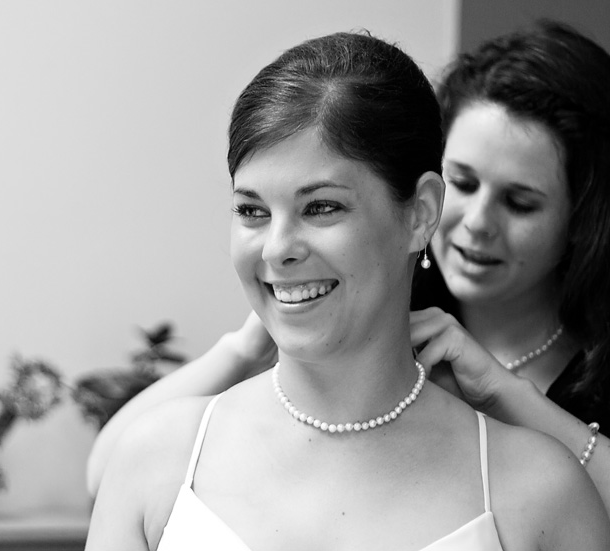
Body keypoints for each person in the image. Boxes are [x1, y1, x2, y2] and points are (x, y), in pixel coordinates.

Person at [85, 31, 609, 549]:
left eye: (321, 207)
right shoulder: (154, 459)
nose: (276, 249)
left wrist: (505, 394)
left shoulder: (542, 489)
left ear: (421, 212)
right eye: (251, 210)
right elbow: (109, 466)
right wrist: (247, 344)